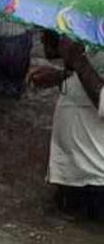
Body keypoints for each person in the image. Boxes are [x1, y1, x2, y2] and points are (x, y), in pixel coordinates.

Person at [28, 36, 104, 219]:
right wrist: (61, 77)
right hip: (76, 176)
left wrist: (78, 59)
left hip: (95, 181)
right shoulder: (94, 39)